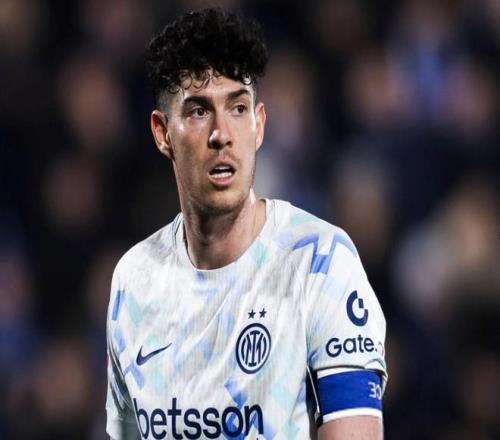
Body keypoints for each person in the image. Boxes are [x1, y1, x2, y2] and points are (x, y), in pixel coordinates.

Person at [106, 8, 387, 440]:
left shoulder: (320, 262)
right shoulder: (134, 280)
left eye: (237, 108)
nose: (222, 133)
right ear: (163, 133)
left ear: (258, 126)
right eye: (198, 111)